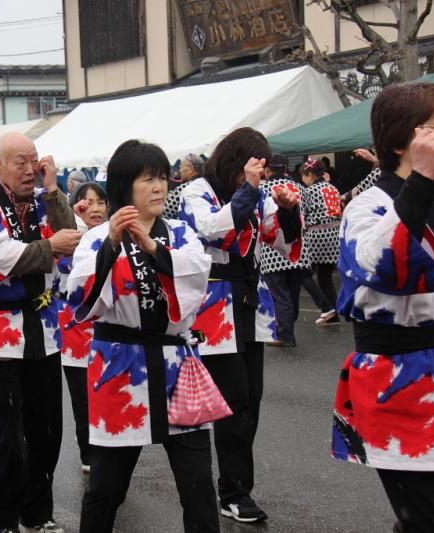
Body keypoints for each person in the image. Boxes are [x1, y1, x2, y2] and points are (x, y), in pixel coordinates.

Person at [67, 140, 218, 533]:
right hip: (120, 367)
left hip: (176, 365)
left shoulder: (181, 233)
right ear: (124, 187)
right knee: (106, 487)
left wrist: (152, 247)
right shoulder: (98, 238)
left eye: (162, 178)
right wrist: (115, 244)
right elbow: (81, 297)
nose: (159, 187)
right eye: (147, 179)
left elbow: (197, 277)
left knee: (198, 485)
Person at [0, 132, 81, 533]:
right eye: (19, 162)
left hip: (43, 327)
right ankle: (3, 517)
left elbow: (72, 241)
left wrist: (53, 190)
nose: (29, 170)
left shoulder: (44, 199)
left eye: (34, 162)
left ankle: (37, 513)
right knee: (7, 430)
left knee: (47, 429)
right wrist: (51, 248)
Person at [332, 82, 434, 533]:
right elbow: (381, 263)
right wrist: (420, 183)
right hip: (399, 381)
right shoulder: (367, 206)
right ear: (404, 140)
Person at [179, 128, 302, 524]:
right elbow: (209, 229)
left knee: (251, 400)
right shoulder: (197, 190)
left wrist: (284, 209)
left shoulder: (257, 192)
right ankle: (233, 491)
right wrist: (248, 191)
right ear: (235, 159)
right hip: (214, 305)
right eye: (253, 166)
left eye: (263, 170)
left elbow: (280, 241)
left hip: (249, 301)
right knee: (232, 400)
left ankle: (235, 486)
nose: (259, 176)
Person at [57, 183, 107, 473]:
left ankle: (111, 446)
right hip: (75, 328)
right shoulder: (68, 237)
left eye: (100, 202)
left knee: (109, 390)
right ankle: (89, 453)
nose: (96, 209)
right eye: (88, 203)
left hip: (109, 328)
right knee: (82, 397)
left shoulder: (118, 234)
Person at [258, 154, 310, 348]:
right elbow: (309, 213)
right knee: (292, 293)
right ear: (286, 168)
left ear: (268, 170)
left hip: (273, 251)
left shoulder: (263, 188)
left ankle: (285, 334)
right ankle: (288, 328)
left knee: (279, 294)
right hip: (298, 248)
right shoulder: (300, 188)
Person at [300, 159, 342, 326]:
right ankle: (334, 313)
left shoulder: (309, 191)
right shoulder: (333, 188)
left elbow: (303, 214)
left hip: (318, 234)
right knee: (325, 276)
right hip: (335, 234)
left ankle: (326, 307)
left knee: (303, 273)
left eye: (303, 176)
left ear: (310, 175)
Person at [162, 153, 204, 219]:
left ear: (190, 169)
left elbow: (165, 212)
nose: (180, 170)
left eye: (181, 166)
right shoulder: (205, 184)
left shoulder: (185, 188)